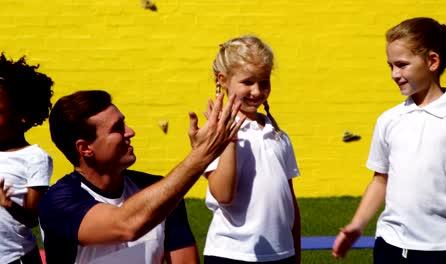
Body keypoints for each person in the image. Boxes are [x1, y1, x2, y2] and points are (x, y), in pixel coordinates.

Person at [38, 89, 244, 264]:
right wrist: (203, 154)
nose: (130, 132)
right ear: (85, 148)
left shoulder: (159, 189)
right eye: (117, 129)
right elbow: (126, 225)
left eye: (124, 123)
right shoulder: (58, 202)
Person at [332, 17, 446, 263]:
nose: (395, 74)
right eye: (390, 66)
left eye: (402, 65)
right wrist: (357, 225)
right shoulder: (389, 120)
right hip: (389, 246)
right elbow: (381, 179)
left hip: (443, 251)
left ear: (432, 61)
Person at [202, 35, 301, 264]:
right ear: (223, 80)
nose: (257, 91)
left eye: (264, 82)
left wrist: (294, 251)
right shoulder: (212, 132)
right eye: (248, 82)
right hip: (231, 254)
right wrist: (229, 136)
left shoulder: (278, 135)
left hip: (281, 253)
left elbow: (290, 202)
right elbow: (224, 195)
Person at [0, 53, 54, 264]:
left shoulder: (34, 158)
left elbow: (33, 218)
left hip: (17, 258)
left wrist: (8, 204)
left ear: (24, 116)